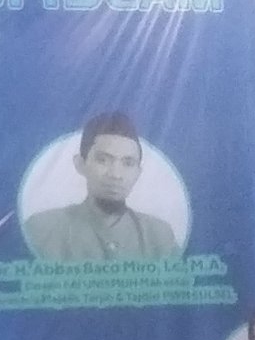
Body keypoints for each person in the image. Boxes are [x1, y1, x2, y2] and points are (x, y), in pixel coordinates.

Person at [23, 112, 178, 261]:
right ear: (80, 164)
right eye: (103, 160)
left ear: (138, 172)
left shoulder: (159, 235)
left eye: (128, 163)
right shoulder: (42, 229)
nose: (116, 174)